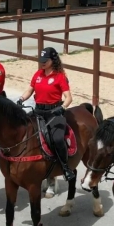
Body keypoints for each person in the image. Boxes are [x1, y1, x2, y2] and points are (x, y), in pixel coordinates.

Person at [16, 47, 75, 182]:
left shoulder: (60, 77)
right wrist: (21, 99)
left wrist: (63, 107)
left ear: (53, 60)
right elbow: (29, 90)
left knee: (57, 138)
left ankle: (65, 167)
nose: (42, 63)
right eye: (41, 60)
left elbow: (68, 97)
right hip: (38, 111)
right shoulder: (38, 74)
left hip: (53, 112)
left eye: (45, 60)